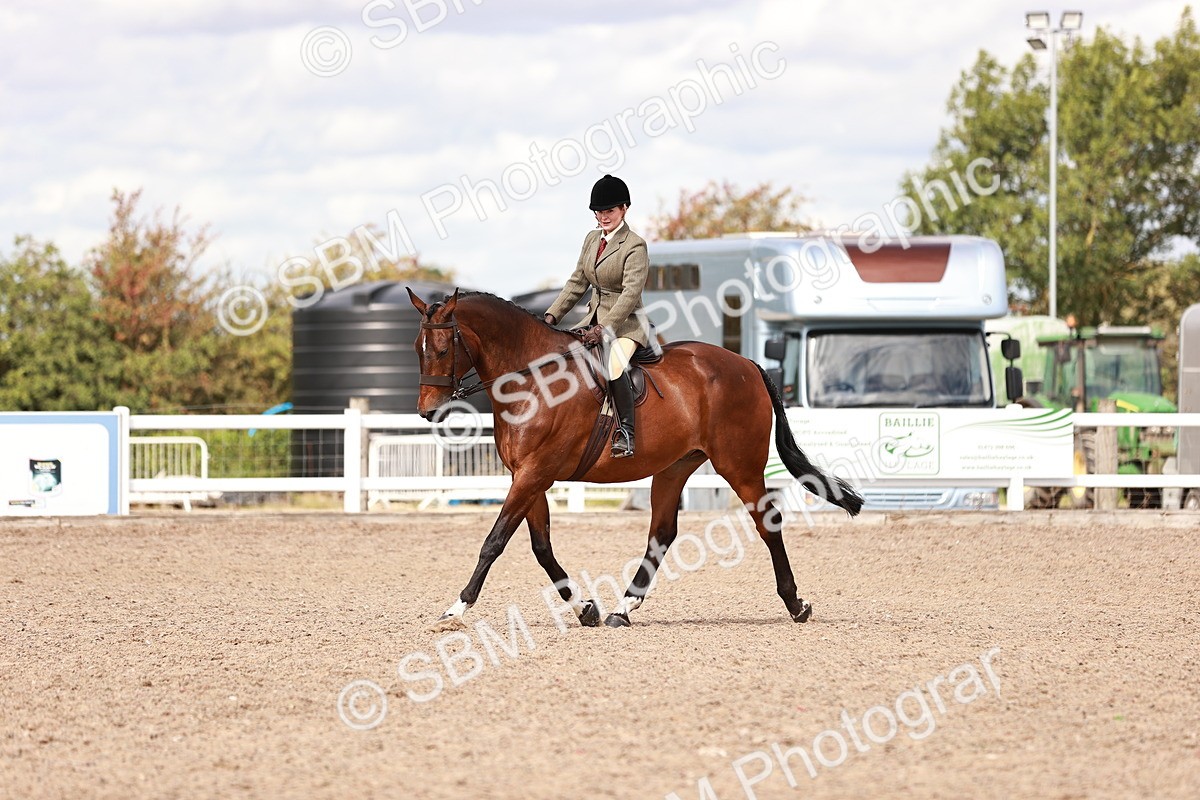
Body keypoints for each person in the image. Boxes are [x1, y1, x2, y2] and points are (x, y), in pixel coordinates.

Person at [543, 174, 648, 458]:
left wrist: (606, 327)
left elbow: (629, 294)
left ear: (624, 208)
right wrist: (552, 316)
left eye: (609, 211)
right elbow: (577, 282)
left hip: (626, 326)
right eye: (599, 212)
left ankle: (626, 433)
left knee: (613, 367)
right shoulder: (591, 239)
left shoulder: (635, 246)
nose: (603, 217)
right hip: (590, 323)